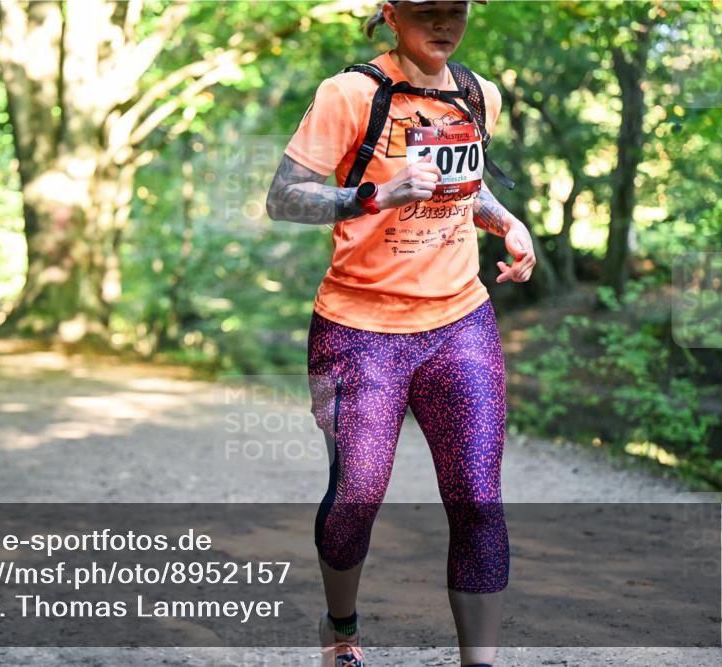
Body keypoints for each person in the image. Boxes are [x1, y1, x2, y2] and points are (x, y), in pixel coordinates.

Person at [265, 2, 536, 666]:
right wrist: (370, 195)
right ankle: (341, 632)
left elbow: (463, 190)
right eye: (425, 10)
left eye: (455, 10)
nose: (442, 23)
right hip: (360, 328)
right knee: (356, 494)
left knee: (477, 496)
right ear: (391, 14)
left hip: (458, 321)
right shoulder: (349, 93)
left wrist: (506, 223)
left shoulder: (479, 95)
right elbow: (283, 196)